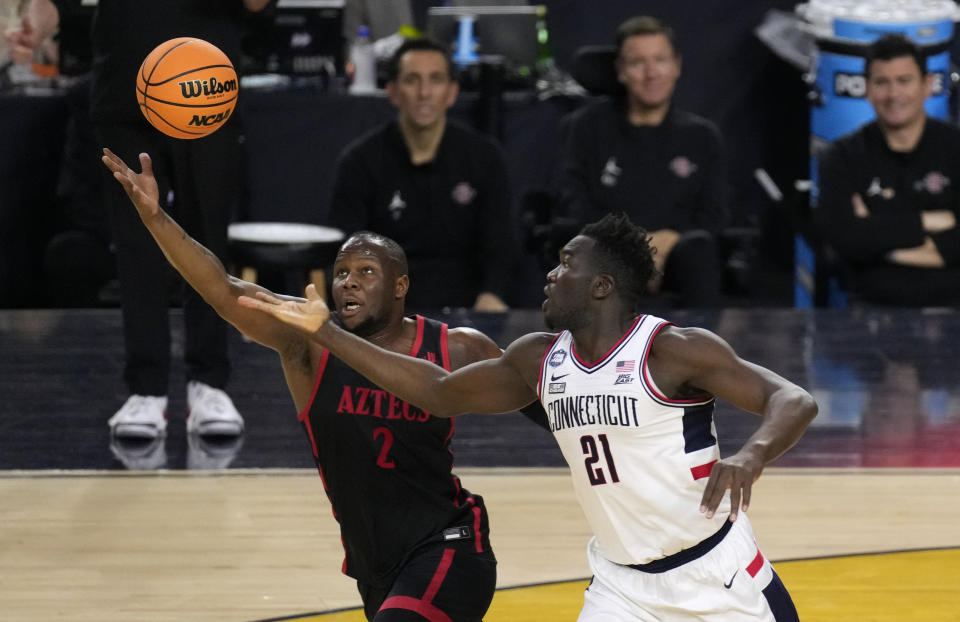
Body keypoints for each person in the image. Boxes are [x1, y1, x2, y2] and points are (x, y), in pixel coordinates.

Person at [241, 211, 818, 620]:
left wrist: (751, 454)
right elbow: (438, 393)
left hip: (715, 577)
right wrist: (329, 337)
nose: (550, 273)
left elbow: (793, 399)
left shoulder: (674, 349)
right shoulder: (538, 357)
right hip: (623, 589)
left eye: (566, 263)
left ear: (601, 285)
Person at [100, 147, 504, 621]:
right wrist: (156, 219)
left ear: (400, 286)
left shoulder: (455, 347)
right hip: (375, 565)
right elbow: (223, 290)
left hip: (450, 545)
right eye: (342, 274)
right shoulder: (308, 343)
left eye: (366, 273)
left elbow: (539, 395)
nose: (348, 283)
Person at [7, 0, 270, 438]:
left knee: (206, 240)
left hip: (205, 90)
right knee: (136, 246)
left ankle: (209, 382)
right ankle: (145, 389)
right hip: (124, 90)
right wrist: (38, 22)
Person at [328, 37, 516, 312]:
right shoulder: (360, 161)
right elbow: (347, 252)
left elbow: (500, 245)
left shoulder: (485, 158)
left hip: (469, 312)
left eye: (436, 79)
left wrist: (493, 295)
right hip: (385, 312)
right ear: (392, 91)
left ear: (452, 92)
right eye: (412, 80)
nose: (424, 92)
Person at [556, 16, 727, 308]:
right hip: (607, 256)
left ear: (677, 66)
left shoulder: (702, 136)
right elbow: (576, 205)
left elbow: (714, 215)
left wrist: (669, 241)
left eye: (660, 60)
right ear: (621, 71)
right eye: (637, 63)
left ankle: (702, 349)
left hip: (677, 258)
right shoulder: (586, 128)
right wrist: (634, 250)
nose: (651, 73)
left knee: (699, 248)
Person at [816, 33, 960, 306]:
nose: (893, 94)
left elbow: (860, 239)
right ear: (868, 90)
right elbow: (844, 239)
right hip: (873, 309)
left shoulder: (955, 149)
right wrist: (929, 222)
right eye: (882, 82)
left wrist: (878, 241)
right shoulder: (841, 157)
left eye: (904, 81)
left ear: (927, 85)